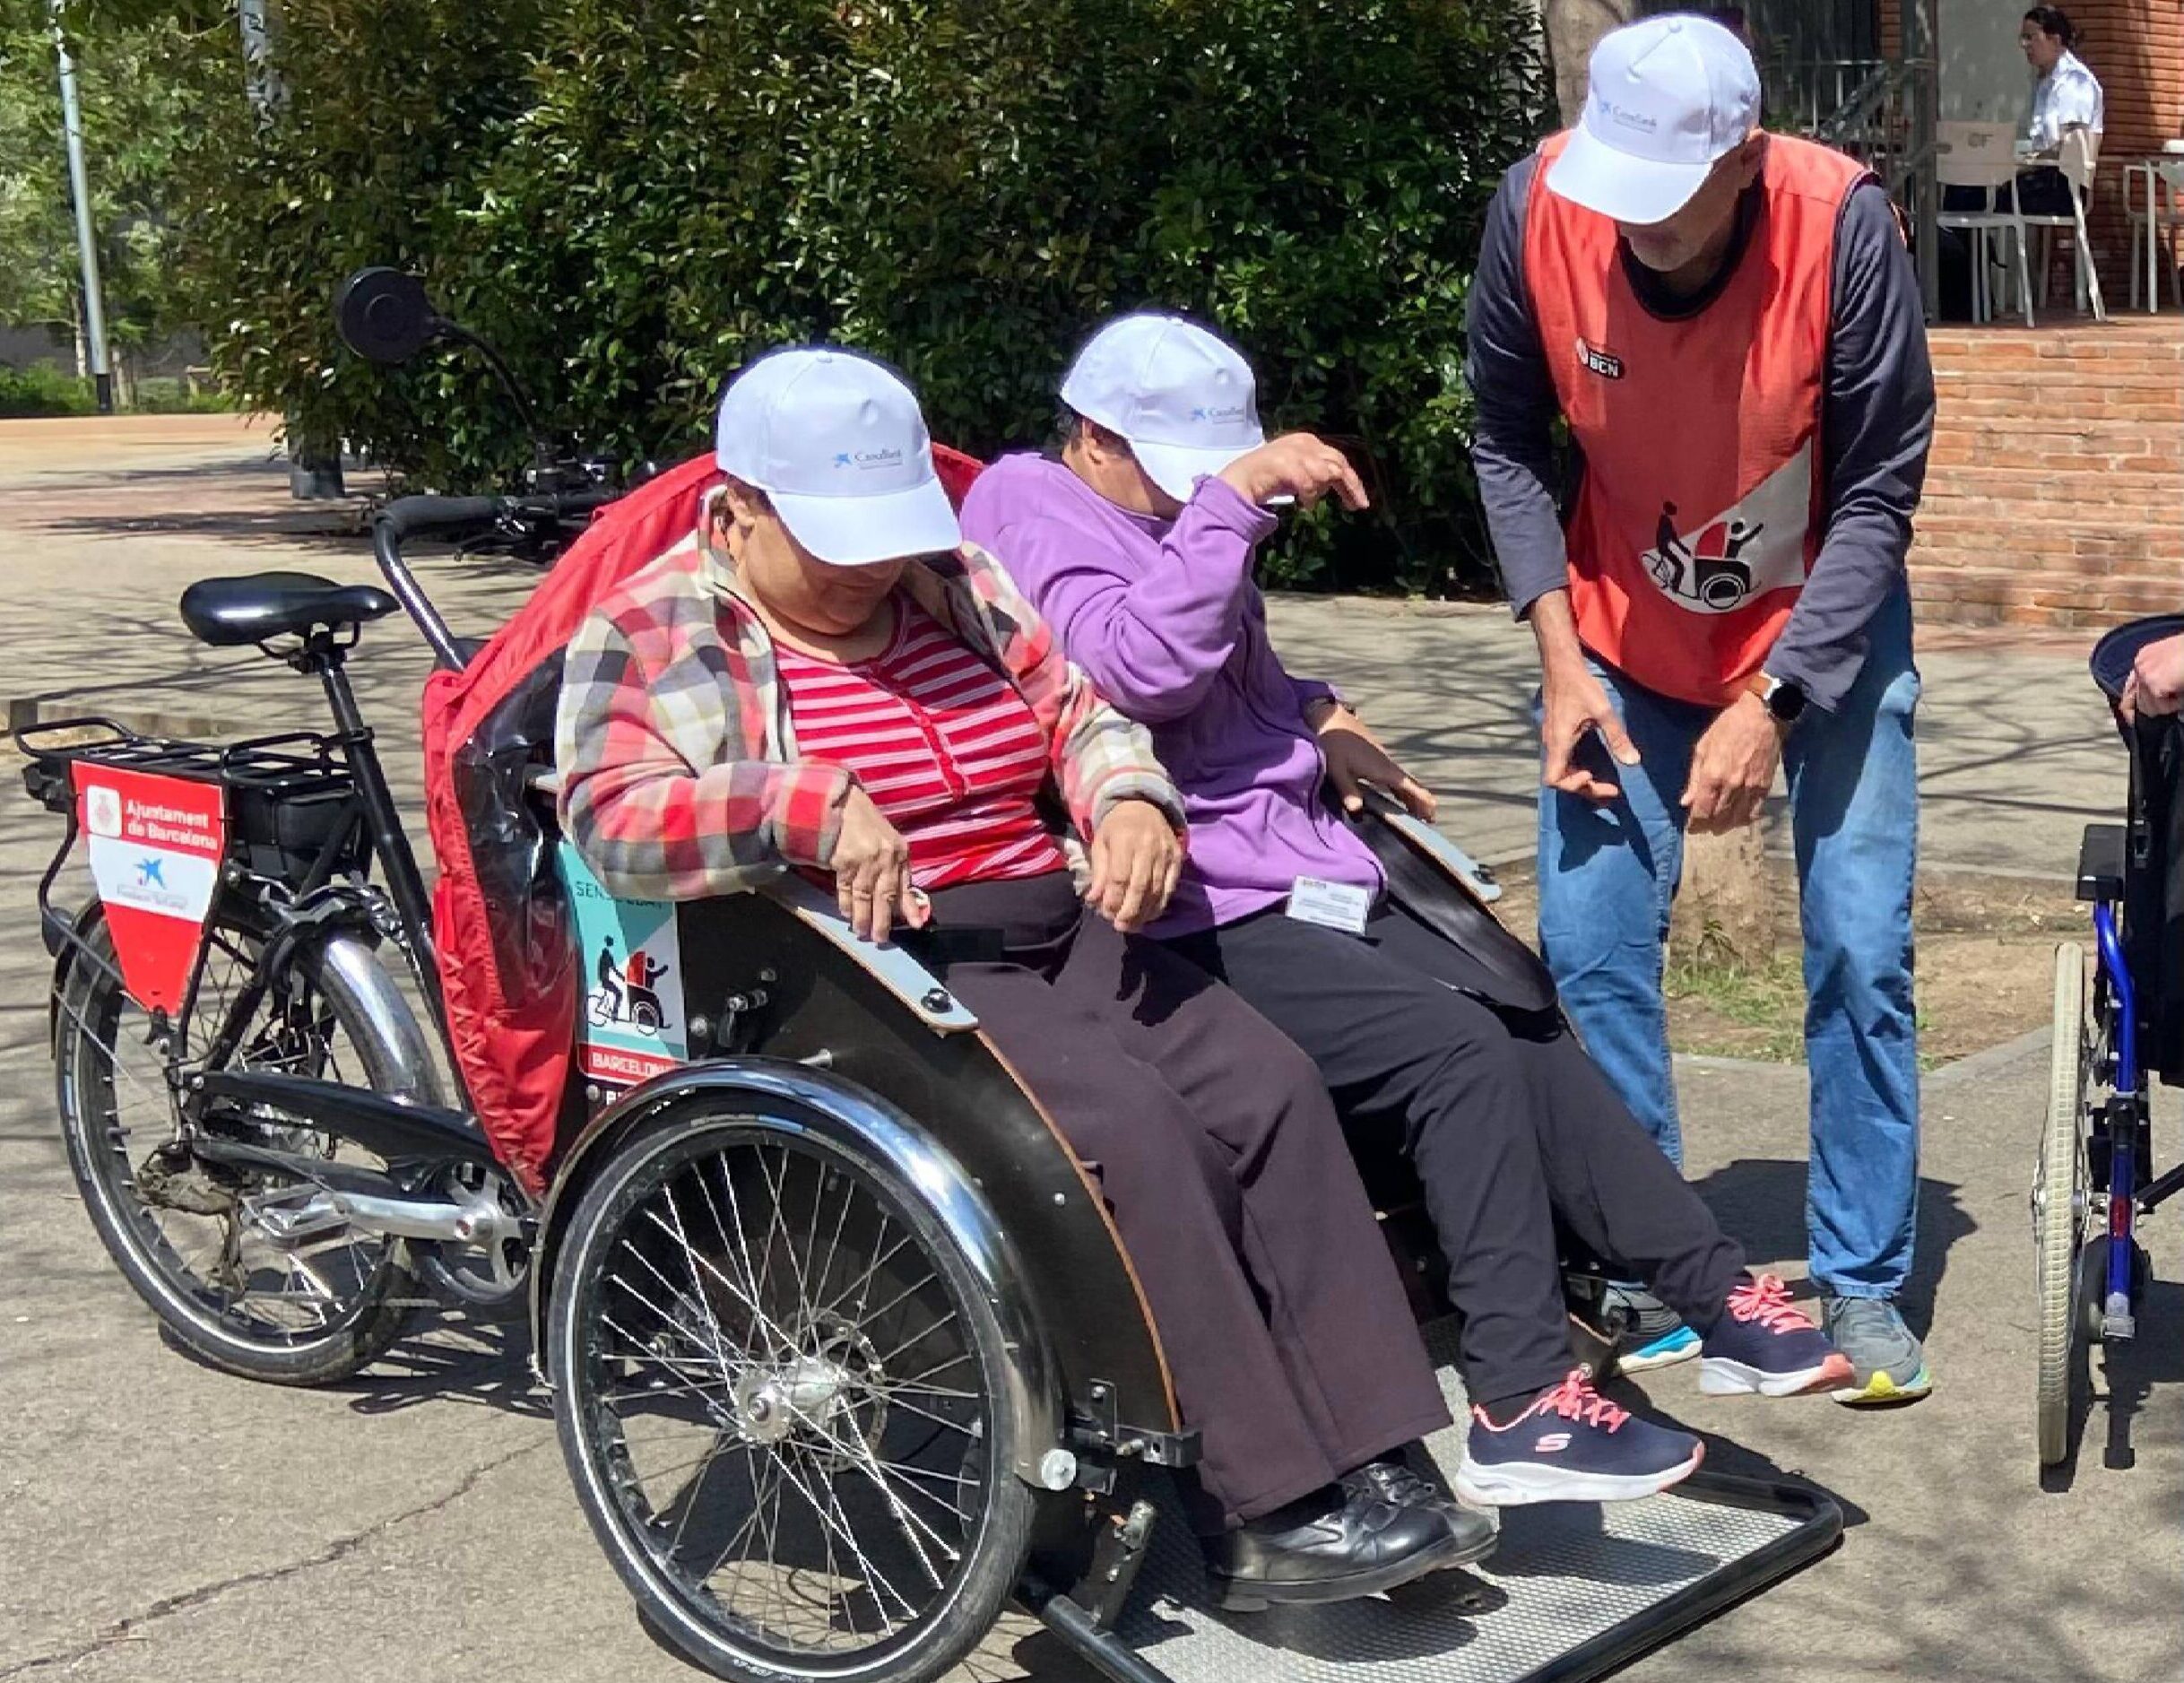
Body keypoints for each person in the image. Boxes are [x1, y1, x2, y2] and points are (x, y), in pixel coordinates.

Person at [557, 345, 1478, 1609]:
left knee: (1270, 1086)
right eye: (835, 543)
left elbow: (1080, 711)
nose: (871, 568)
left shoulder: (955, 579)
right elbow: (607, 813)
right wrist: (799, 802)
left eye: (885, 536)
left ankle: (1378, 1454)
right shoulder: (657, 626)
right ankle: (1265, 1505)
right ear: (739, 512)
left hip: (1058, 910)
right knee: (1137, 1135)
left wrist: (1130, 798)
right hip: (886, 958)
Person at [960, 310, 1852, 1510]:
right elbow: (1135, 672)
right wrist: (1231, 506)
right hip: (1196, 900)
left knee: (1515, 1006)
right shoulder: (1028, 511)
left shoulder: (1165, 512)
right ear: (1092, 438)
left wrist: (1316, 712)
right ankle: (1520, 1400)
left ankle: (1711, 1289)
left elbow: (1234, 677)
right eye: (1178, 476)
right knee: (1454, 1052)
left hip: (1302, 863)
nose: (1194, 497)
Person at [1464, 14, 1936, 1403]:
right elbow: (1504, 440)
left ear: (1744, 158)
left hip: (1824, 632)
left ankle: (1860, 1279)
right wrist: (1558, 656)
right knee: (1589, 946)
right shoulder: (1537, 211)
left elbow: (1880, 489)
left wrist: (1775, 698)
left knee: (1858, 949)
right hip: (1614, 630)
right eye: (1621, 189)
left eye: (1668, 197)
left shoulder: (1840, 228)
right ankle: (1648, 1256)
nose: (1639, 225)